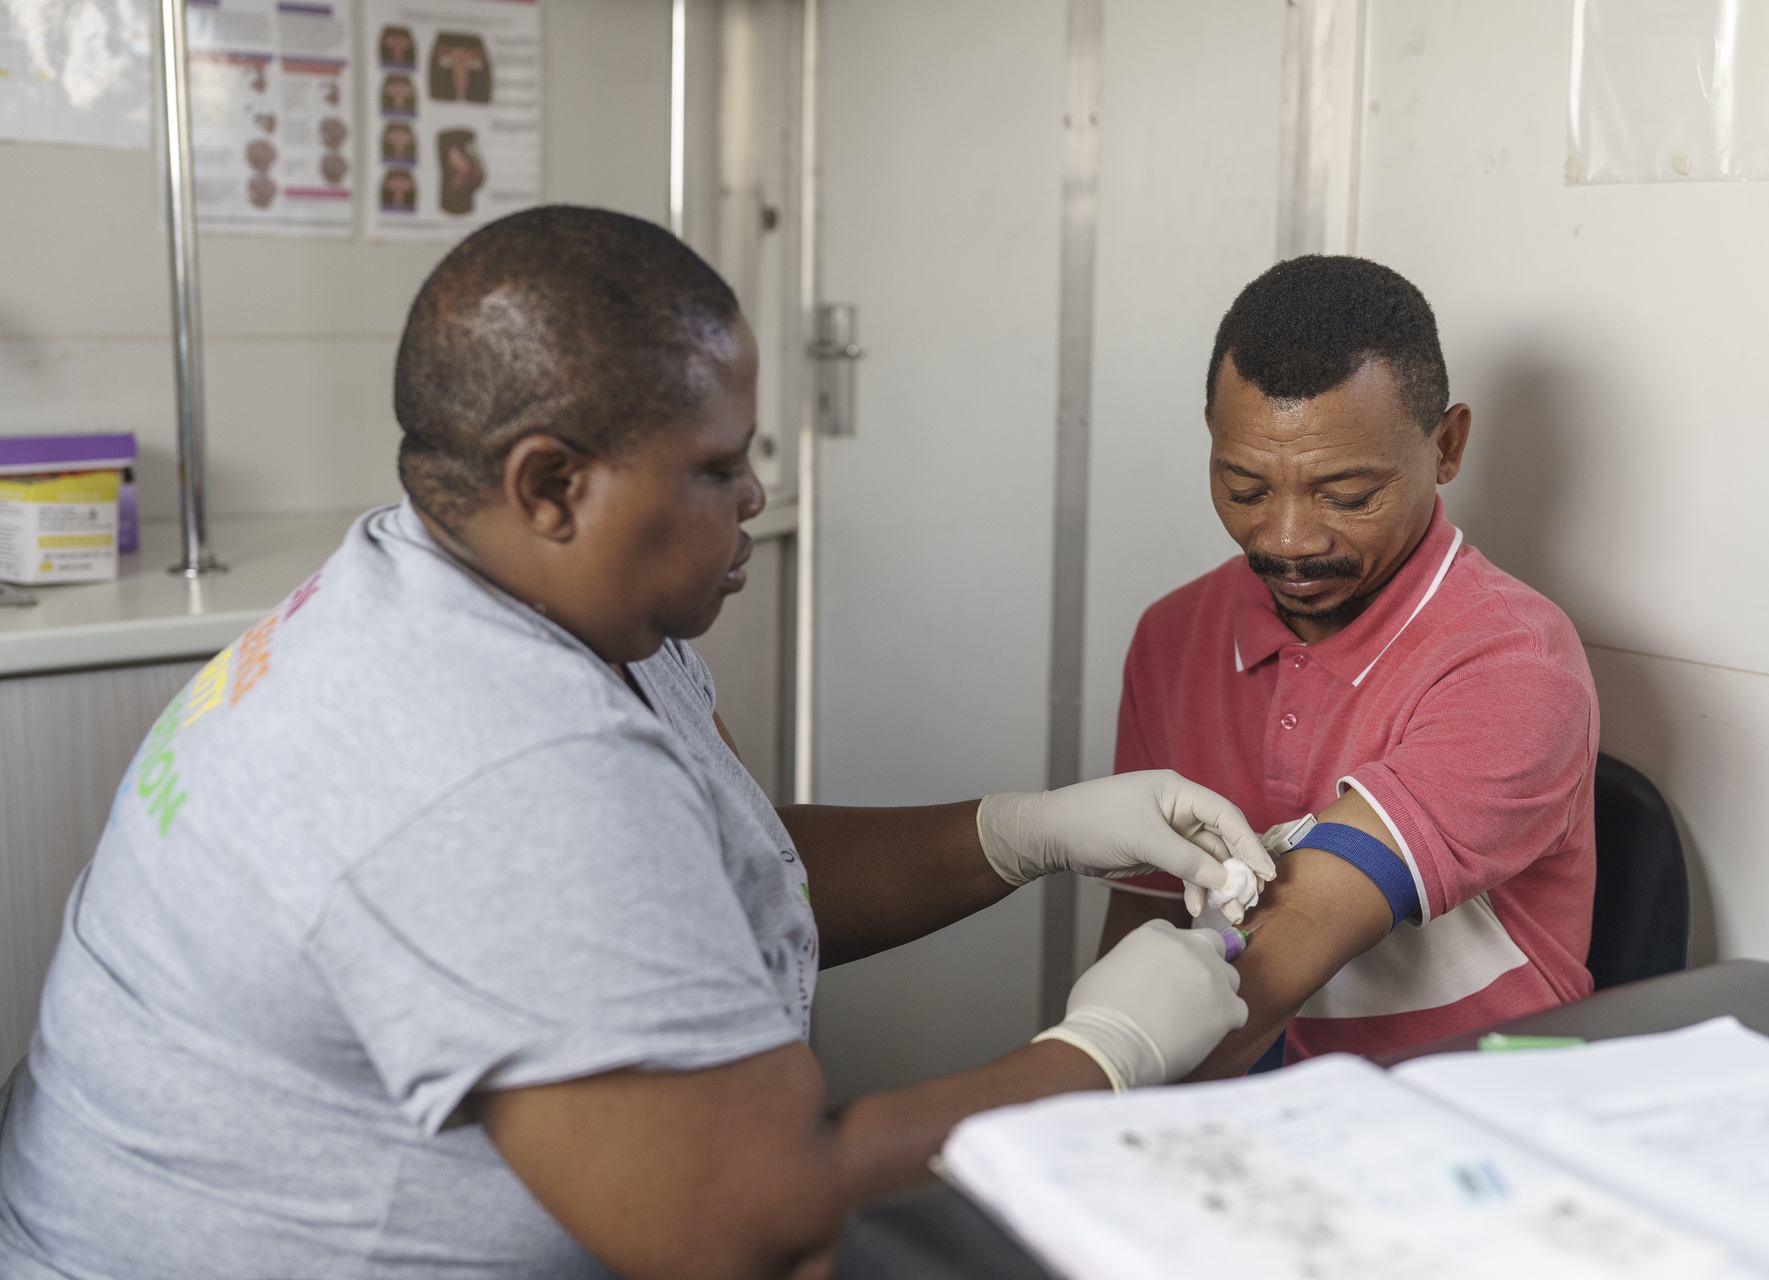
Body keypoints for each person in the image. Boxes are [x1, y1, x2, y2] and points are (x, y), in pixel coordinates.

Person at [0, 207, 1262, 1280]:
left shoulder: (489, 581)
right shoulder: (481, 752)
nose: (755, 495)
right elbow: (748, 1221)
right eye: (717, 467)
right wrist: (1100, 1056)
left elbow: (720, 876)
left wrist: (1029, 829)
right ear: (552, 485)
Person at [1099, 256, 1599, 1076]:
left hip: (1470, 1093)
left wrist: (1083, 1092)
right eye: (1245, 486)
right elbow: (1143, 926)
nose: (1288, 540)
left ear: (1447, 446)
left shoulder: (1517, 663)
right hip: (1245, 1076)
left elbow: (1279, 957)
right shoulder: (1173, 635)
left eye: (1346, 494)